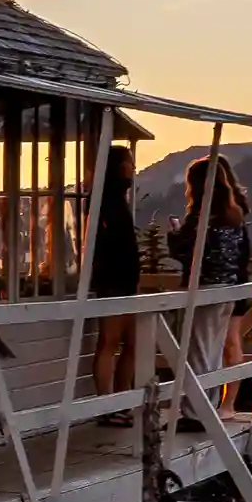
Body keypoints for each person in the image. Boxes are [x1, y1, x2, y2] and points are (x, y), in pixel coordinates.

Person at [165, 154, 252, 430]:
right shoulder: (234, 215)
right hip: (228, 288)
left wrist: (175, 232)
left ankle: (195, 413)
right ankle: (211, 406)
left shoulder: (201, 215)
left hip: (205, 288)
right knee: (213, 351)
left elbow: (185, 251)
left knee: (199, 350)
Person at [88, 143, 142, 421]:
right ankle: (106, 406)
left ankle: (123, 401)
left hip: (127, 279)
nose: (132, 168)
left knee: (133, 342)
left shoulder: (119, 198)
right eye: (129, 163)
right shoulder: (103, 199)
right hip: (112, 279)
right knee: (109, 341)